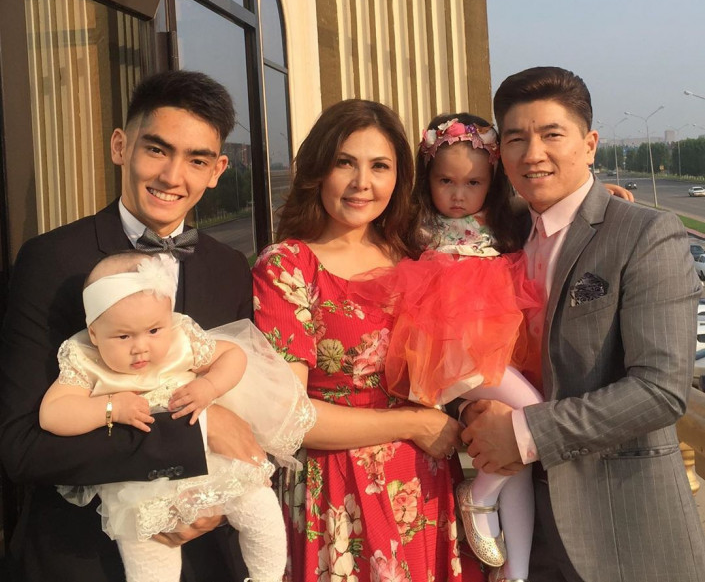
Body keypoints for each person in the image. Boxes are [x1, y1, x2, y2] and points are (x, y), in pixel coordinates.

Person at [0, 70, 259, 582]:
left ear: (217, 171)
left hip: (206, 558)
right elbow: (22, 447)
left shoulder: (229, 267)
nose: (172, 176)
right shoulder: (51, 262)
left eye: (197, 160)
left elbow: (242, 401)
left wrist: (216, 504)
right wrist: (193, 439)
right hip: (83, 558)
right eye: (157, 150)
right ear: (120, 146)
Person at [461, 66, 705, 582]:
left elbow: (661, 390)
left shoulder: (644, 234)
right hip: (523, 523)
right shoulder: (498, 235)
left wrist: (523, 433)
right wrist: (474, 407)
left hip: (621, 527)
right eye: (516, 139)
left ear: (590, 145)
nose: (533, 154)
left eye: (552, 135)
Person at [251, 99, 487, 581]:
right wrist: (412, 424)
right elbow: (291, 418)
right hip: (339, 493)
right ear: (318, 170)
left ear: (399, 177)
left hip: (425, 487)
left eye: (380, 166)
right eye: (345, 163)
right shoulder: (288, 266)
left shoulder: (416, 253)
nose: (363, 182)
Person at [40, 251, 315, 582]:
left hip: (212, 459)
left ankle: (266, 578)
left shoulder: (181, 341)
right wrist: (110, 407)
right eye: (124, 336)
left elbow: (233, 354)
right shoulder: (85, 358)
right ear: (95, 333)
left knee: (259, 506)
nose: (141, 347)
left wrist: (210, 386)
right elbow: (53, 413)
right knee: (150, 551)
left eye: (154, 330)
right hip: (140, 479)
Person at [350, 113, 543, 582]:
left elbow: (546, 202)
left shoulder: (505, 221)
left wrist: (605, 190)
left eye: (473, 183)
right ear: (428, 178)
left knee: (516, 454)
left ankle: (515, 572)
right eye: (446, 181)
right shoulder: (416, 225)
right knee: (534, 417)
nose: (459, 195)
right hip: (448, 354)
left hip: (492, 347)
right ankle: (480, 495)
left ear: (492, 182)